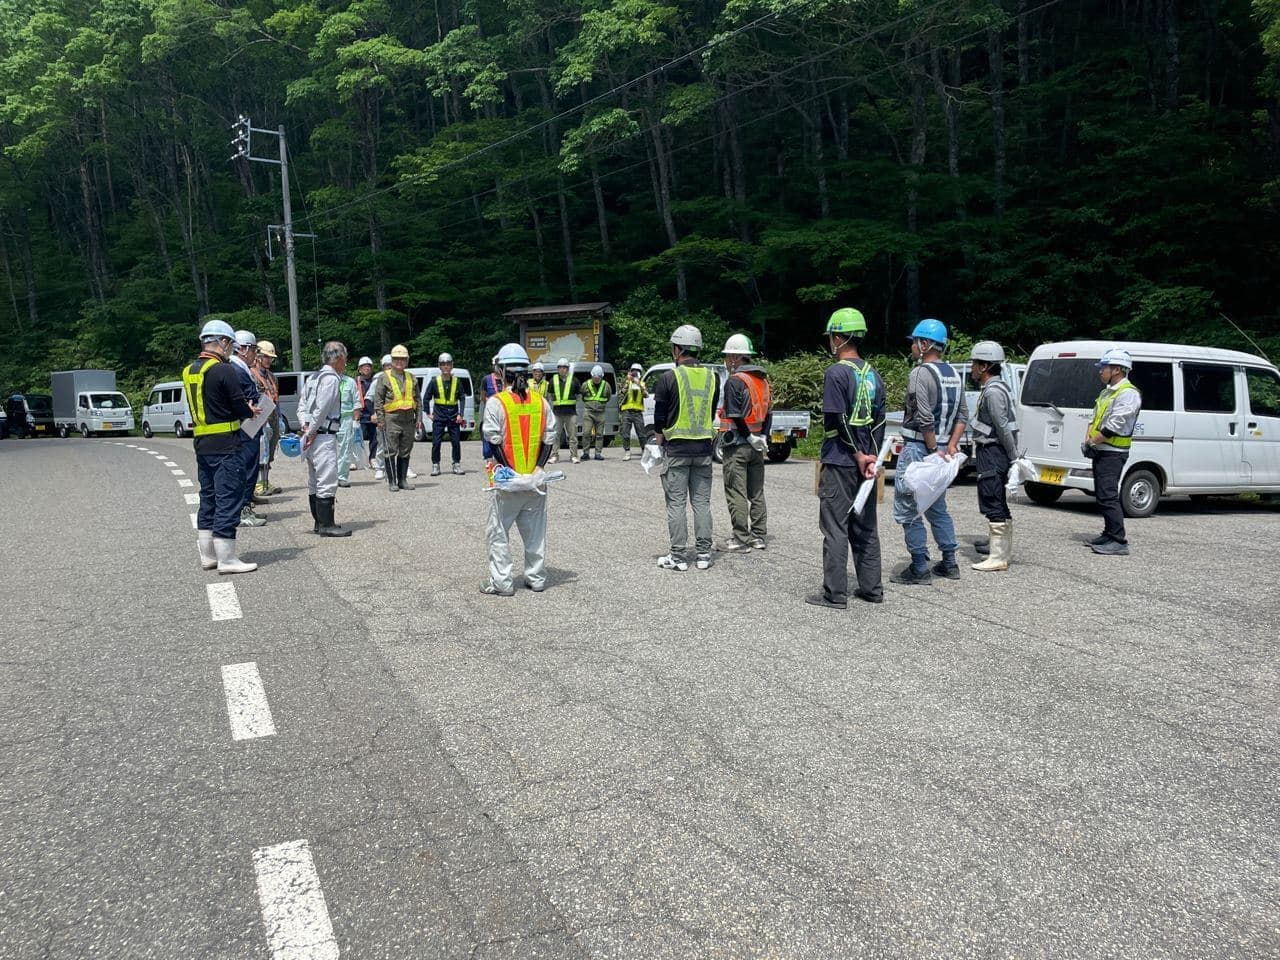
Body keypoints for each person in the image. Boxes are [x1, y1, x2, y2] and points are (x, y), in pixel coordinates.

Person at [806, 308, 886, 608]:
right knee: (865, 527)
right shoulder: (873, 374)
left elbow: (836, 419)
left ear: (838, 338)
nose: (830, 342)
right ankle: (872, 589)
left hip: (841, 460)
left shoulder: (836, 373)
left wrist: (856, 455)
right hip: (866, 463)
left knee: (836, 527)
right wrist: (871, 457)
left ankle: (835, 594)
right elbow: (878, 421)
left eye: (831, 337)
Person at [891, 318, 968, 585]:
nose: (912, 347)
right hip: (943, 450)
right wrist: (950, 446)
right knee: (937, 506)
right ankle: (949, 562)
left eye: (915, 342)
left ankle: (920, 566)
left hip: (918, 447)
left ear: (925, 344)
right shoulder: (954, 375)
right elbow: (962, 415)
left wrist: (934, 448)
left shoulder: (920, 373)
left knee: (908, 507)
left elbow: (924, 417)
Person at [480, 343, 558, 596]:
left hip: (507, 483)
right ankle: (536, 578)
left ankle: (501, 583)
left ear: (502, 370)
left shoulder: (496, 403)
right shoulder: (540, 402)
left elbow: (494, 442)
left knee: (499, 533)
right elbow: (549, 439)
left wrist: (511, 473)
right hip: (535, 482)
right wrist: (536, 469)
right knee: (535, 534)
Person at [185, 319, 258, 574]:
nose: (231, 351)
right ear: (223, 342)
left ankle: (208, 556)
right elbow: (239, 406)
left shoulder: (190, 370)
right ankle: (227, 559)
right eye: (230, 345)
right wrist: (249, 410)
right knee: (228, 498)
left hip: (202, 444)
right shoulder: (222, 369)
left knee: (208, 497)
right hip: (227, 445)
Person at [653, 324, 720, 571]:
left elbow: (660, 418)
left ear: (677, 350)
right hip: (704, 451)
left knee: (677, 504)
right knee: (702, 503)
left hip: (677, 450)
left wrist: (659, 439)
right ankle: (704, 554)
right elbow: (710, 412)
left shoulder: (669, 378)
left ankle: (678, 556)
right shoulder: (713, 377)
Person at [968, 341, 1021, 572]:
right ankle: (1002, 551)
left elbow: (1002, 427)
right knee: (997, 500)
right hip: (993, 450)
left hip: (992, 451)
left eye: (974, 363)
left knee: (992, 498)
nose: (972, 368)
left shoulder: (993, 392)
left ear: (985, 366)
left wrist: (1014, 457)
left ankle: (998, 557)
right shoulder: (1000, 388)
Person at [1086, 347, 1142, 556]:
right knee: (1102, 494)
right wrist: (1089, 439)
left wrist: (1092, 442)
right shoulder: (1106, 392)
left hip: (1113, 451)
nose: (1100, 371)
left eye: (1104, 367)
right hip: (1101, 448)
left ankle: (1119, 540)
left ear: (1117, 369)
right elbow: (1095, 418)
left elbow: (1114, 426)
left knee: (1109, 495)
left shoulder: (1128, 393)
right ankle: (1109, 533)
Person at [718, 334, 772, 552]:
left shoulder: (735, 381)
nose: (726, 361)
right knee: (756, 491)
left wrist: (748, 436)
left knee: (736, 491)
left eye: (728, 356)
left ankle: (740, 538)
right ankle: (758, 536)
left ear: (736, 357)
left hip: (738, 445)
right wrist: (762, 437)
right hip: (756, 445)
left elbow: (734, 413)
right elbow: (769, 413)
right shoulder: (762, 380)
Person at [301, 341, 353, 536]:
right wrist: (313, 430)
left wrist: (306, 428)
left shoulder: (313, 377)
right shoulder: (331, 379)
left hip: (312, 435)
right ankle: (326, 524)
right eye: (345, 359)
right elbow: (322, 408)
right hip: (323, 435)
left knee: (314, 479)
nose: (346, 363)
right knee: (327, 479)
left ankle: (319, 522)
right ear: (338, 357)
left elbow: (303, 405)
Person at [229, 329, 266, 527]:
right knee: (246, 468)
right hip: (246, 427)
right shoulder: (236, 369)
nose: (255, 354)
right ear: (242, 349)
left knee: (250, 466)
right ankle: (243, 509)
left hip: (251, 425)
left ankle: (246, 505)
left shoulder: (242, 368)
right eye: (253, 350)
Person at [373, 344, 418, 490]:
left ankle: (402, 480)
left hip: (408, 419)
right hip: (391, 419)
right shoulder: (383, 377)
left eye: (403, 359)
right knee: (390, 450)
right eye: (397, 359)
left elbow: (418, 399)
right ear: (392, 360)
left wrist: (419, 419)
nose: (400, 362)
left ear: (407, 361)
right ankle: (392, 482)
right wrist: (380, 420)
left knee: (406, 450)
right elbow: (378, 400)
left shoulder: (411, 377)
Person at [424, 351, 465, 476]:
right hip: (439, 415)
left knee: (456, 441)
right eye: (443, 364)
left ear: (452, 365)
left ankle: (456, 464)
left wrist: (460, 414)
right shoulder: (434, 381)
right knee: (436, 442)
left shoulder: (457, 381)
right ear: (439, 366)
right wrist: (428, 413)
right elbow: (426, 398)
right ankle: (435, 464)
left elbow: (462, 397)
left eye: (448, 364)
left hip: (453, 415)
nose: (446, 366)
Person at [254, 341, 283, 496]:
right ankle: (257, 483)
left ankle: (265, 481)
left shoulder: (271, 376)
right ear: (258, 356)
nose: (269, 360)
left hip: (272, 416)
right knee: (260, 452)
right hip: (258, 418)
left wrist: (280, 417)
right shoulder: (252, 374)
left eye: (271, 358)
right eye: (267, 357)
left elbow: (276, 398)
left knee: (270, 451)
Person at [548, 358, 580, 465]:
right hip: (557, 413)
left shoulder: (574, 380)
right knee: (556, 436)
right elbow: (550, 394)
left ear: (568, 369)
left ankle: (574, 456)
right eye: (560, 367)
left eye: (564, 367)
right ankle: (554, 456)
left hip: (571, 413)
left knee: (572, 436)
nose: (562, 369)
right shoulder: (553, 380)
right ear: (558, 369)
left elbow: (578, 395)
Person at [367, 354, 392, 480]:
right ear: (383, 367)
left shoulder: (400, 379)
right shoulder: (377, 381)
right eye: (386, 366)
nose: (389, 368)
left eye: (390, 365)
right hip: (382, 416)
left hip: (397, 417)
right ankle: (380, 468)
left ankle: (401, 468)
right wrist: (374, 413)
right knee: (381, 443)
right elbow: (368, 399)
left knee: (399, 444)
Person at [336, 365, 361, 488]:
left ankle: (342, 477)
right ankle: (328, 477)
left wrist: (356, 420)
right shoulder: (326, 380)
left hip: (346, 418)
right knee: (328, 449)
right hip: (328, 418)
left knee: (345, 449)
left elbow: (356, 401)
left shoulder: (350, 381)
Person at [619, 363, 648, 461]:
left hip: (638, 412)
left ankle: (644, 451)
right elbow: (622, 392)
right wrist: (628, 381)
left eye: (637, 372)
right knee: (626, 433)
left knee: (641, 433)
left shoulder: (642, 384)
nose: (635, 373)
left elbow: (646, 395)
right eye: (633, 371)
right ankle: (627, 452)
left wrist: (639, 384)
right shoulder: (627, 383)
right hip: (627, 411)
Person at [581, 364, 611, 460]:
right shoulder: (585, 384)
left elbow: (608, 397)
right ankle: (586, 453)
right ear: (592, 375)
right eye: (595, 377)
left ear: (601, 376)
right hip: (588, 412)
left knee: (600, 434)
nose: (596, 379)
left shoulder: (606, 385)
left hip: (601, 412)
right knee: (586, 432)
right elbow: (582, 396)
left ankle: (598, 453)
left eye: (598, 377)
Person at [478, 356, 502, 466]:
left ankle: (500, 458)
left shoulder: (506, 379)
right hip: (489, 412)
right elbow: (483, 396)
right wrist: (493, 403)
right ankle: (489, 458)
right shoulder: (486, 379)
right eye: (497, 364)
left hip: (502, 413)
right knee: (488, 434)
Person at [354, 356, 376, 469]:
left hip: (373, 413)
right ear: (359, 369)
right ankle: (356, 459)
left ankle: (373, 458)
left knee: (374, 438)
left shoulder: (376, 380)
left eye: (369, 366)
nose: (367, 368)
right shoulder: (355, 381)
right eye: (364, 366)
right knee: (357, 438)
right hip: (360, 414)